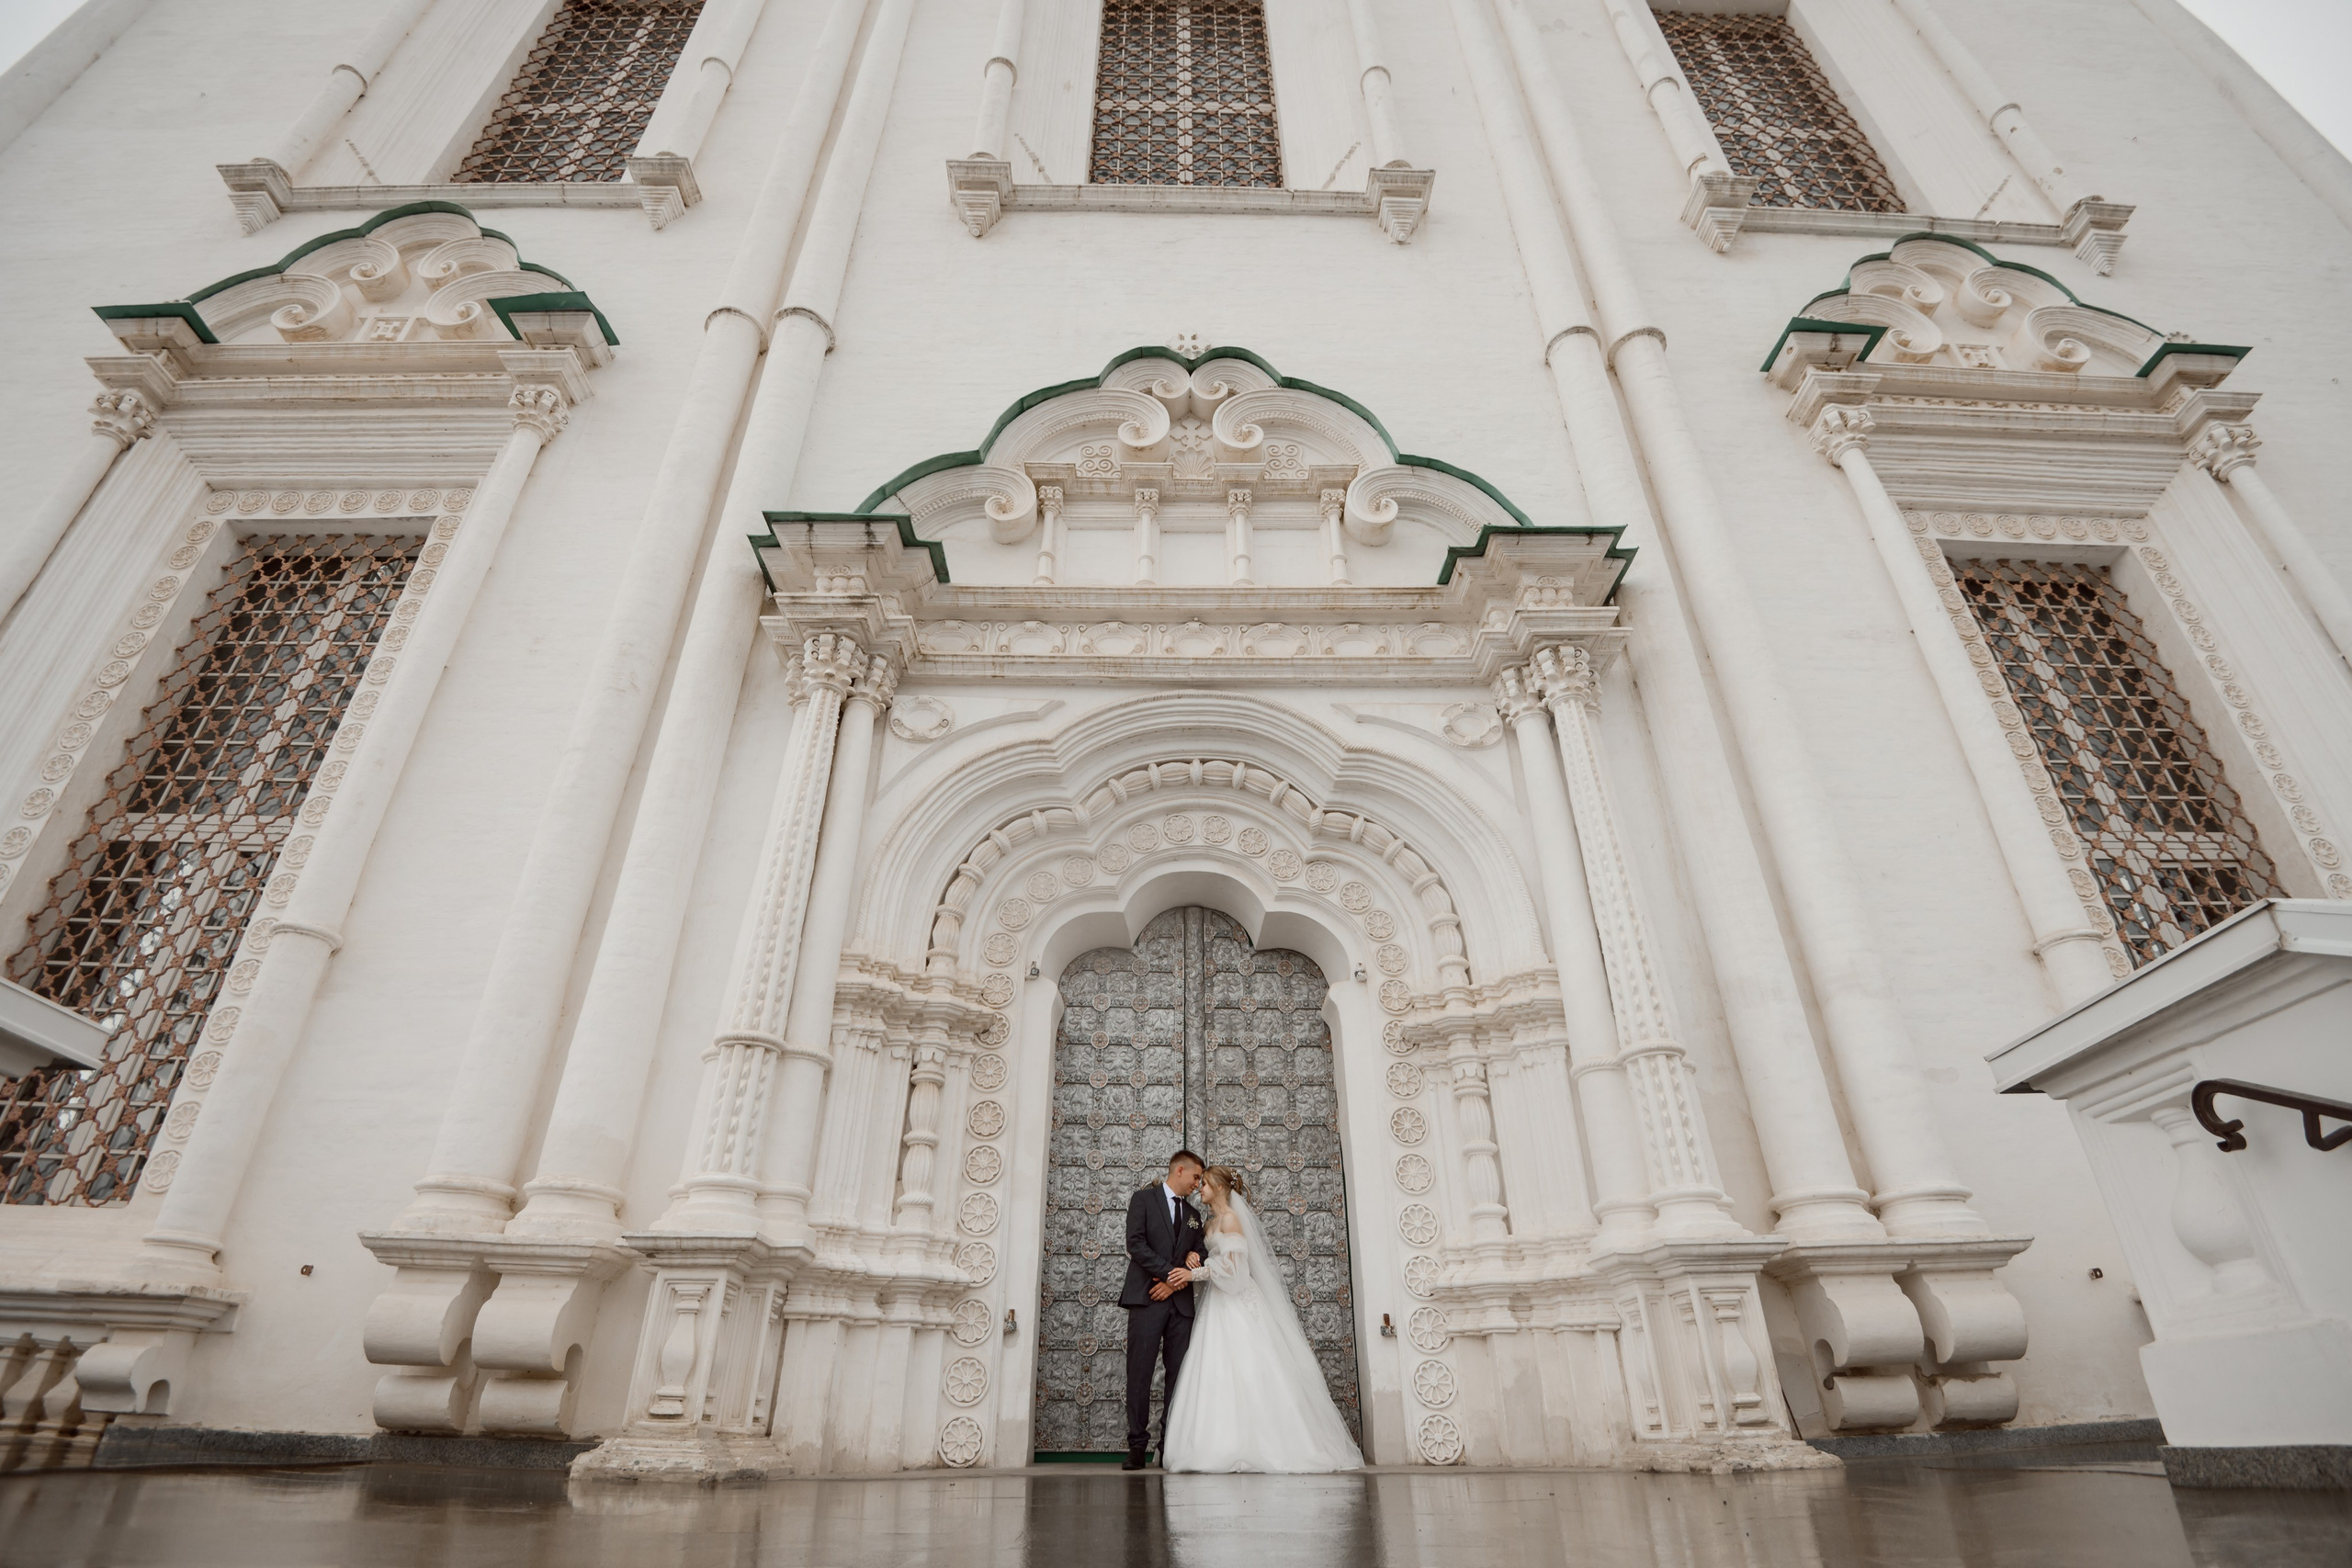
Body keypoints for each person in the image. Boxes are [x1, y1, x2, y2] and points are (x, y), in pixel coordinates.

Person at [1159, 1164, 1363, 1473]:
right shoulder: (1209, 1224)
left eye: (1205, 1183)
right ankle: (1210, 1442)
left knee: (1250, 1366)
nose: (1200, 1187)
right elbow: (1207, 1254)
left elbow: (1236, 1273)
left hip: (1237, 1300)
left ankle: (1262, 1443)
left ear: (1220, 1186)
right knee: (1214, 1369)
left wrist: (1194, 1274)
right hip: (1216, 1304)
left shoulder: (1231, 1220)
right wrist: (1193, 1257)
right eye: (1198, 1182)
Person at [1120, 1149, 1209, 1470]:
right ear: (1180, 1170)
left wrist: (1175, 1282)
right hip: (1147, 1298)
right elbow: (1136, 1243)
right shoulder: (1143, 1200)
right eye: (1196, 1177)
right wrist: (1171, 1272)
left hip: (1180, 1305)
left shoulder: (1194, 1215)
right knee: (1140, 1372)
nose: (1198, 1185)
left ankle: (1167, 1444)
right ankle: (1136, 1446)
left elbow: (1200, 1254)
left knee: (1178, 1376)